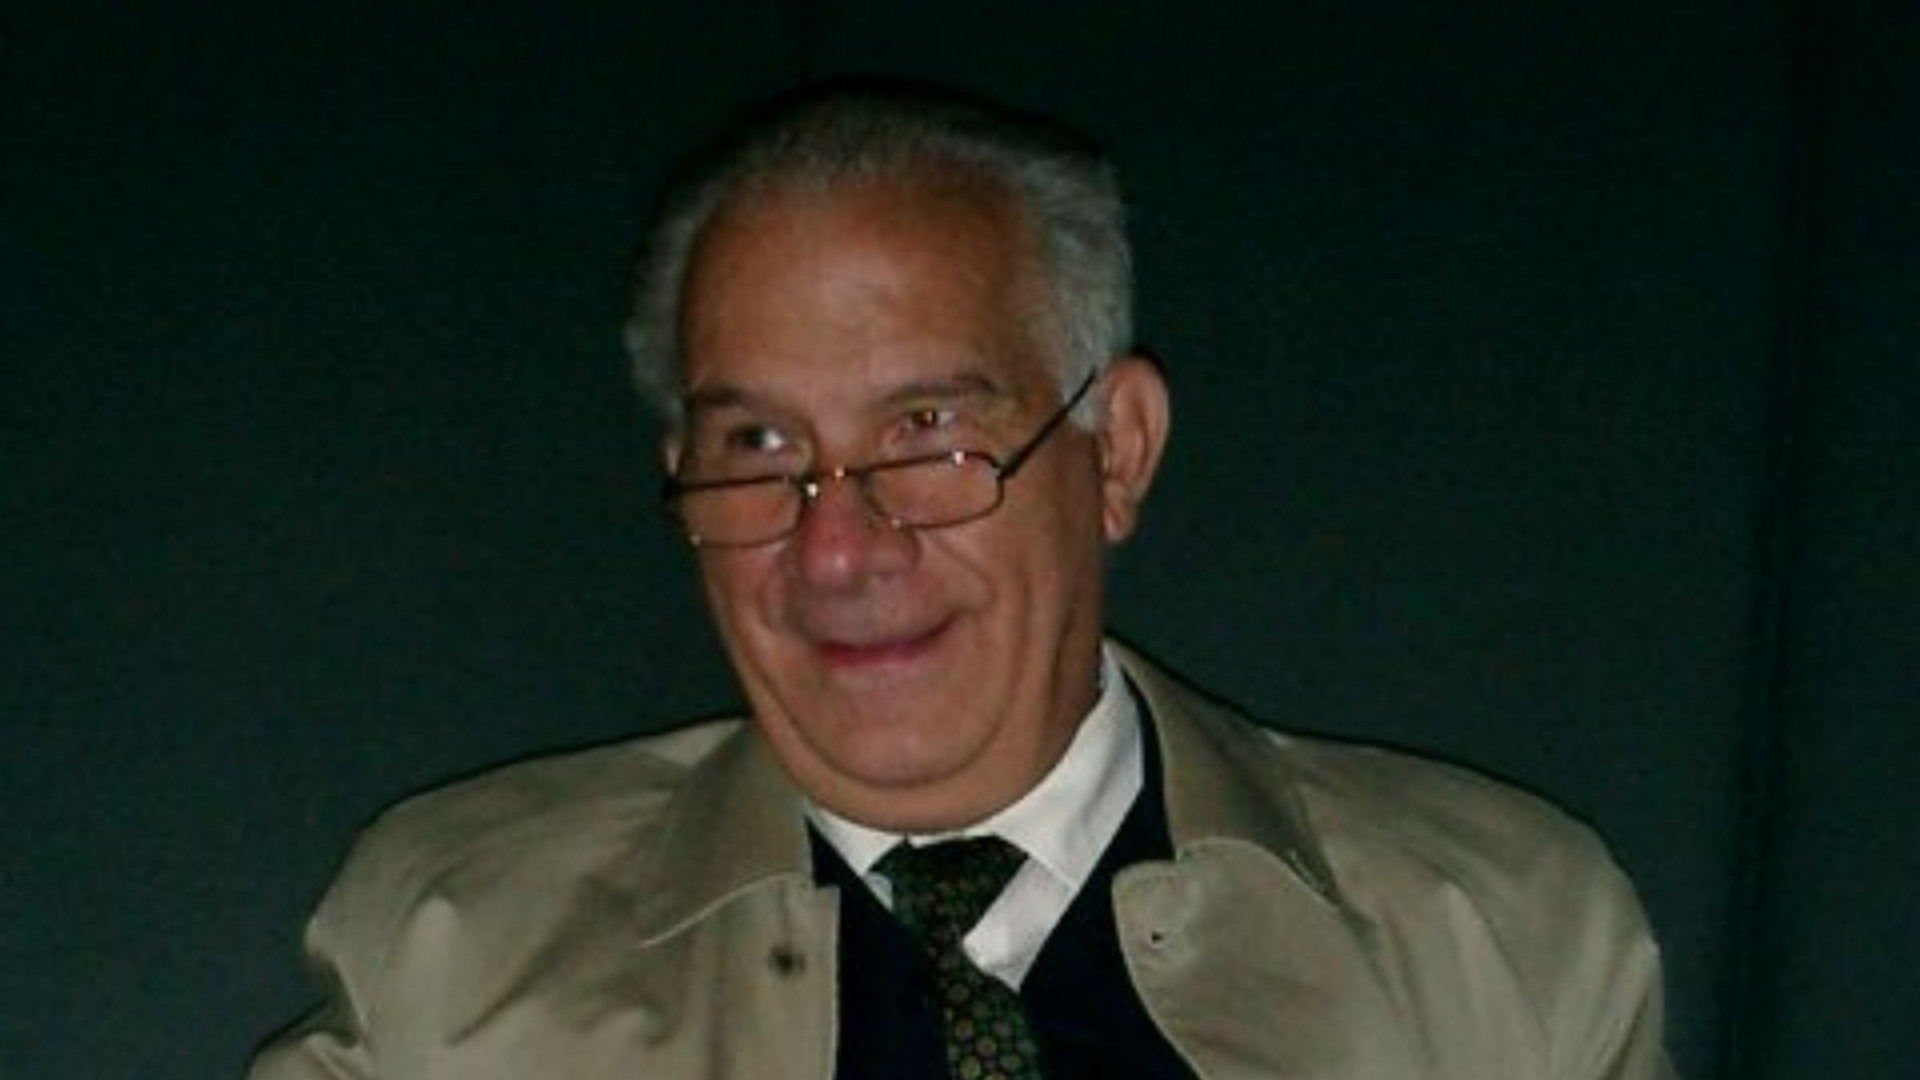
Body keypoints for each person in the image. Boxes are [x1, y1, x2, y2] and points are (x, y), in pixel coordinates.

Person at [249, 84, 1674, 1079]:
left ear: (1117, 449)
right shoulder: (461, 957)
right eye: (760, 449)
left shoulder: (1494, 940)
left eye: (927, 435)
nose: (836, 548)